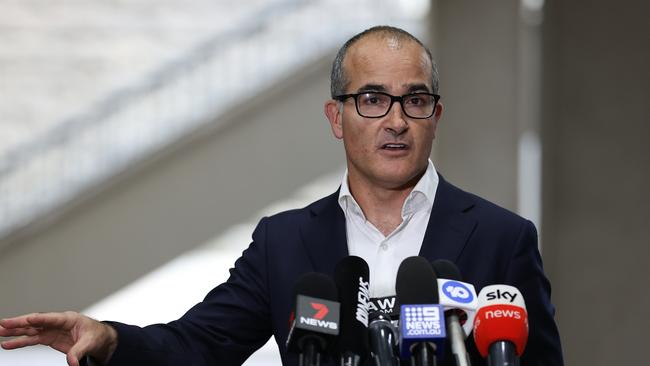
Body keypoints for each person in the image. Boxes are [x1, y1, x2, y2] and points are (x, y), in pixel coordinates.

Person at [0, 26, 563, 366]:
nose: (395, 120)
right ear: (336, 118)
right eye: (371, 99)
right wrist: (110, 339)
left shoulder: (502, 238)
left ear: (435, 116)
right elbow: (198, 347)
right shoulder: (285, 242)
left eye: (414, 100)